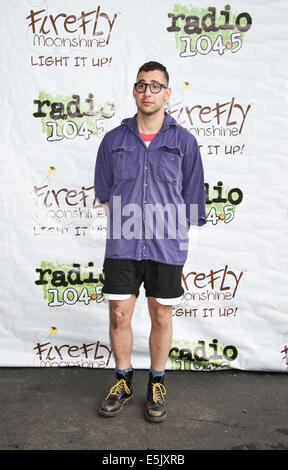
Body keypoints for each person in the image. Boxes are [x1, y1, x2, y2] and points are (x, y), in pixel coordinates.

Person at [94, 61, 206, 422]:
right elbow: (106, 193)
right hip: (123, 244)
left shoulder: (184, 142)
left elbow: (192, 199)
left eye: (155, 86)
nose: (147, 92)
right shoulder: (113, 140)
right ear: (134, 91)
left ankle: (156, 381)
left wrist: (170, 235)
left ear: (167, 93)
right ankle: (123, 380)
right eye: (142, 85)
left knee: (161, 314)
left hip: (165, 245)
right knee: (119, 314)